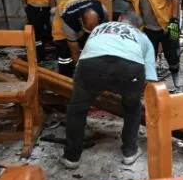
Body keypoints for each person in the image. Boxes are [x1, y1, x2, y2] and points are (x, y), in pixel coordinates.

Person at [61, 12, 157, 169]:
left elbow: (86, 54)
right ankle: (129, 152)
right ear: (138, 27)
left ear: (120, 19)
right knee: (133, 109)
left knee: (77, 109)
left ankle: (72, 158)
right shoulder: (143, 37)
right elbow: (150, 78)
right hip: (130, 67)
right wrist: (132, 93)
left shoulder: (100, 28)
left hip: (91, 65)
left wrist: (82, 85)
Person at [113, 0, 181, 89]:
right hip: (147, 28)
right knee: (148, 57)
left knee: (173, 55)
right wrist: (129, 22)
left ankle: (176, 75)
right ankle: (149, 85)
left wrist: (174, 20)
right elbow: (131, 4)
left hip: (169, 23)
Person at [49, 0, 95, 76]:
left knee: (80, 44)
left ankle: (82, 72)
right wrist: (53, 9)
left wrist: (88, 11)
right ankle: (65, 75)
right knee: (63, 47)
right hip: (61, 17)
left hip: (79, 17)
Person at [59, 0, 109, 65]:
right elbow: (75, 52)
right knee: (66, 50)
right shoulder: (69, 22)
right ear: (80, 21)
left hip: (87, 1)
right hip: (64, 9)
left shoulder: (102, 10)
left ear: (99, 18)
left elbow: (106, 34)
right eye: (89, 30)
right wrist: (79, 68)